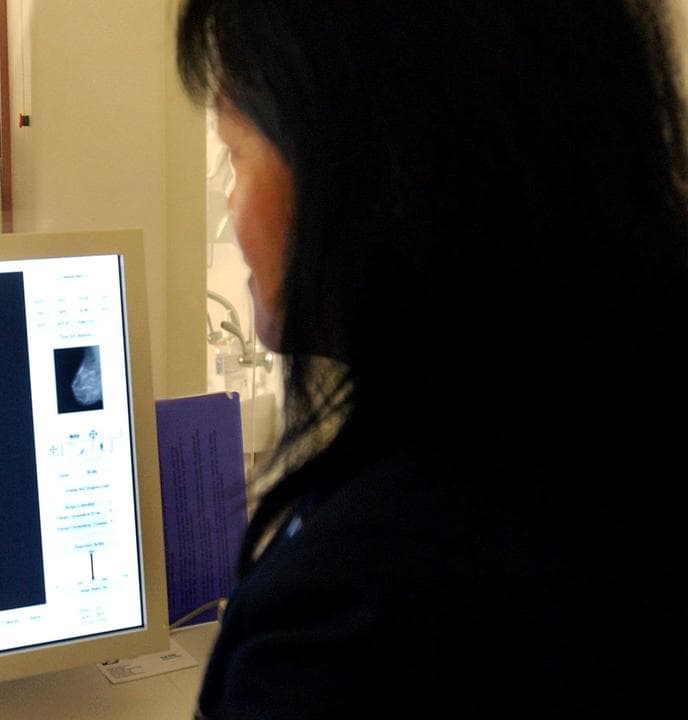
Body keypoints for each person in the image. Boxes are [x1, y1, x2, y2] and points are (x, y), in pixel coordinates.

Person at [177, 1, 688, 717]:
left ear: (370, 162)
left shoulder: (359, 624)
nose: (232, 207)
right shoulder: (611, 448)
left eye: (236, 149)